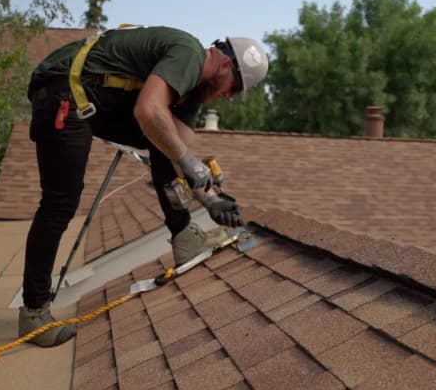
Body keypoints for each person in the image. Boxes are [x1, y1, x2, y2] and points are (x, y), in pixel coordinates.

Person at [20, 25, 268, 346]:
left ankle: (184, 235)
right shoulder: (190, 54)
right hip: (62, 90)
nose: (229, 96)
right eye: (234, 87)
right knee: (60, 202)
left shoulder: (190, 94)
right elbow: (148, 110)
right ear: (224, 64)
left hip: (90, 99)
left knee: (166, 138)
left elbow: (178, 150)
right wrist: (189, 163)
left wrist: (212, 200)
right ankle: (34, 312)